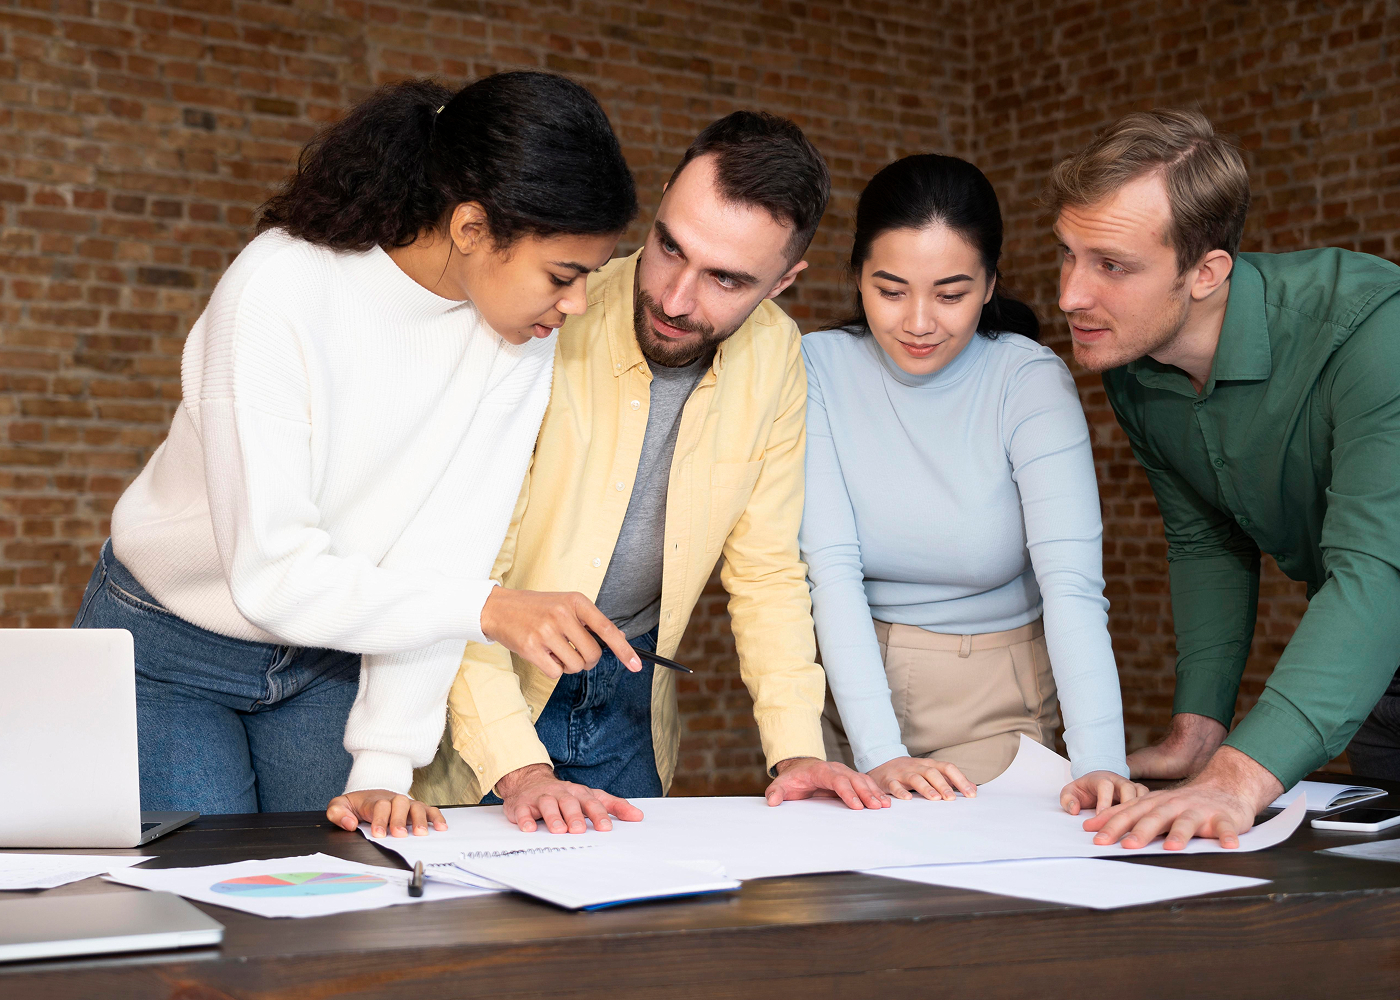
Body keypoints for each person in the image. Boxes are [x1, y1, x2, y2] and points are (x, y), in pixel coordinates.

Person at [75, 73, 644, 833]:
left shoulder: (520, 334)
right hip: (169, 651)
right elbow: (272, 576)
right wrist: (487, 609)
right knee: (207, 888)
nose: (576, 304)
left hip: (331, 656)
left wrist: (383, 765)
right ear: (471, 227)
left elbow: (444, 552)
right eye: (562, 276)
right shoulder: (279, 290)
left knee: (341, 878)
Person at [391, 111, 890, 835]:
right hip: (484, 692)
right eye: (669, 247)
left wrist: (796, 753)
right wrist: (519, 770)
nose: (676, 299)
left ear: (784, 281)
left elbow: (767, 573)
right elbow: (462, 569)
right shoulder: (542, 316)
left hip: (632, 702)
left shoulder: (778, 354)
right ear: (657, 209)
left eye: (725, 279)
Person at [1050, 108, 1400, 850]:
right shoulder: (1135, 364)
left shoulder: (1377, 331)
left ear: (1206, 272)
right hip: (1377, 678)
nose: (1070, 296)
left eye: (1111, 265)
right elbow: (1206, 539)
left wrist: (1239, 777)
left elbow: (1378, 570)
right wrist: (1201, 731)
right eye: (1068, 255)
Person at [800, 154, 1140, 817]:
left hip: (997, 704)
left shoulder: (1027, 380)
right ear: (857, 276)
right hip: (846, 693)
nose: (919, 322)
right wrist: (879, 752)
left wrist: (1102, 761)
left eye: (950, 294)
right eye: (890, 291)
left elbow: (1071, 586)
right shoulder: (815, 366)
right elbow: (830, 570)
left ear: (989, 286)